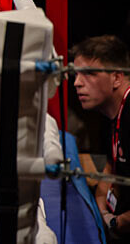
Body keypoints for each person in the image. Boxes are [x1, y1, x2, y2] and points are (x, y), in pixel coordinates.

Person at [72, 35, 130, 242]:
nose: (77, 83)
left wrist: (118, 222)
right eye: (76, 74)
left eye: (89, 74)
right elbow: (110, 167)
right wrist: (103, 211)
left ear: (116, 78)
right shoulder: (111, 114)